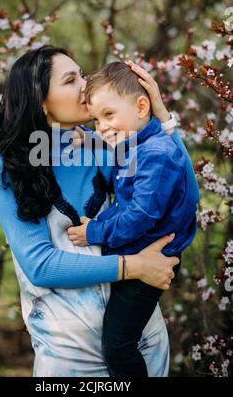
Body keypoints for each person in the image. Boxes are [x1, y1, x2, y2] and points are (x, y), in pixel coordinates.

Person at [0, 45, 186, 377]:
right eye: (70, 80)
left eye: (82, 74)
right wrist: (133, 266)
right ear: (40, 100)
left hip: (140, 346)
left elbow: (180, 187)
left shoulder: (103, 144)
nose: (85, 84)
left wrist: (163, 116)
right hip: (69, 357)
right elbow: (41, 265)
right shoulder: (12, 166)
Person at [67, 61, 199, 377]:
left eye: (108, 115)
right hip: (139, 249)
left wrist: (95, 232)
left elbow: (141, 215)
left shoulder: (157, 153)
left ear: (142, 107)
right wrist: (91, 137)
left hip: (151, 255)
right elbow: (120, 143)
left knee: (118, 345)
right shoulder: (138, 141)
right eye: (96, 119)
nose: (101, 126)